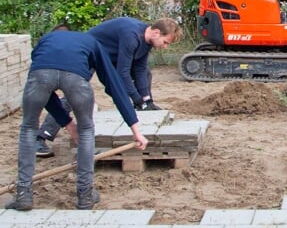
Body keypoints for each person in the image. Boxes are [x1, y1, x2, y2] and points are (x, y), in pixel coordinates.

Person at [5, 30, 149, 212]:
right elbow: (114, 85)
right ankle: (85, 195)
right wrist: (135, 129)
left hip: (40, 76)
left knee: (28, 128)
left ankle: (23, 195)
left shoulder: (46, 40)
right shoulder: (91, 41)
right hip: (76, 79)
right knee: (86, 130)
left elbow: (42, 78)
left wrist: (67, 123)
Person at [34, 17, 181, 158]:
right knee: (74, 95)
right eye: (165, 41)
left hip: (107, 57)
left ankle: (140, 107)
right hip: (87, 54)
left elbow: (140, 70)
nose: (165, 46)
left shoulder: (146, 41)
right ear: (156, 33)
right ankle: (41, 137)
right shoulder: (131, 36)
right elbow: (122, 72)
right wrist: (137, 98)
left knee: (146, 75)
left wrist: (147, 101)